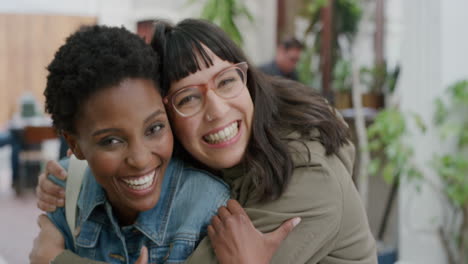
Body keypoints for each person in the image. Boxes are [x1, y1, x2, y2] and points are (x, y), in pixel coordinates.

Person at [35, 18, 377, 263]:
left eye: (226, 81)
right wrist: (71, 174)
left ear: (248, 83)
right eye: (188, 99)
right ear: (168, 118)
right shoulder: (212, 166)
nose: (216, 110)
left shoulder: (306, 176)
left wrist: (53, 258)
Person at [32, 25, 234, 264]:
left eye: (154, 128)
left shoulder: (210, 207)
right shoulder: (63, 189)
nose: (140, 160)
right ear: (75, 145)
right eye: (112, 141)